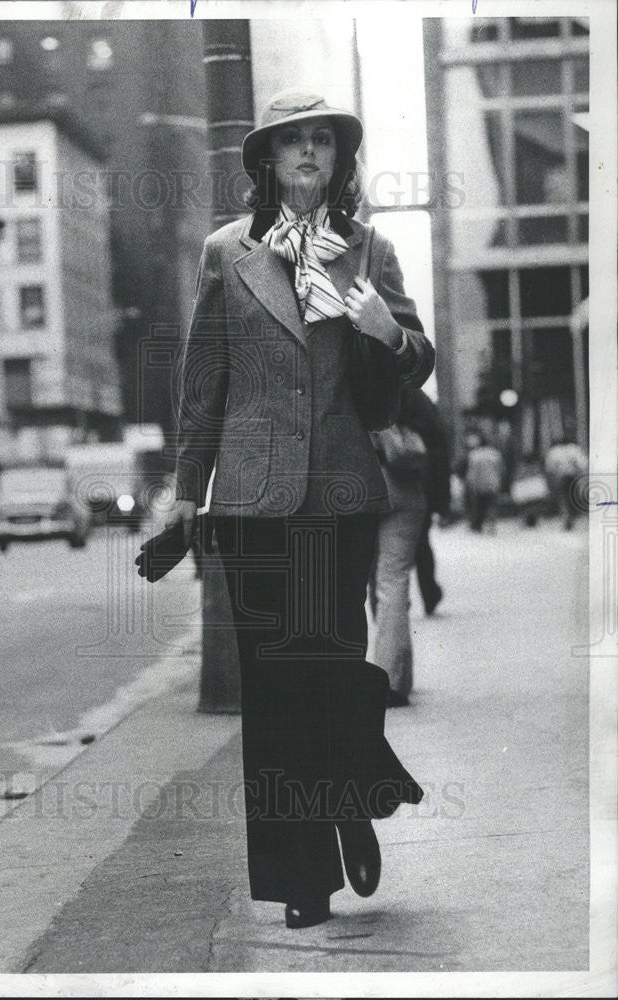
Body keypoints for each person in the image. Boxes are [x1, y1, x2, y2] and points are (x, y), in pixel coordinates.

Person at [167, 90, 435, 929]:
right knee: (276, 694)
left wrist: (385, 331)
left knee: (328, 674)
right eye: (295, 144)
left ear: (339, 159)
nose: (311, 155)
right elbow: (202, 380)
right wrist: (184, 493)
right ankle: (302, 879)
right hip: (250, 500)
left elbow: (418, 358)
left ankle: (353, 786)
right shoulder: (225, 253)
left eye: (324, 142)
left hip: (343, 496)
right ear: (268, 163)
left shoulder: (368, 249)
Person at [369, 390, 431, 708]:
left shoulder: (345, 374)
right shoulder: (410, 391)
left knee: (356, 582)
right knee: (393, 583)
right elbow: (437, 438)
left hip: (361, 486)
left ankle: (356, 676)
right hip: (406, 488)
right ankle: (394, 680)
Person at [412, 393, 451, 615]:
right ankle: (430, 594)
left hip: (381, 479)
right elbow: (440, 458)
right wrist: (441, 502)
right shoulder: (423, 404)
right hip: (420, 486)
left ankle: (384, 606)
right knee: (421, 545)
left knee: (381, 554)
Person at [463, 433, 505, 533]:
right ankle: (491, 525)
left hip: (478, 484)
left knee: (479, 505)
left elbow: (471, 471)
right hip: (493, 482)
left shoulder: (474, 455)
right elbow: (501, 469)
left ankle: (477, 525)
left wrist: (470, 484)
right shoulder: (495, 453)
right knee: (492, 505)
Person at [544, 437, 587, 530]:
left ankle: (567, 518)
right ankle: (570, 518)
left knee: (563, 498)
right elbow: (583, 464)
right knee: (572, 498)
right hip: (572, 477)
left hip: (561, 477)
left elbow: (549, 467)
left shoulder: (554, 451)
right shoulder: (574, 449)